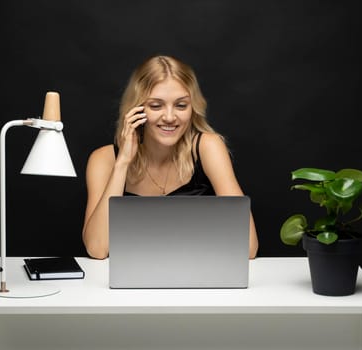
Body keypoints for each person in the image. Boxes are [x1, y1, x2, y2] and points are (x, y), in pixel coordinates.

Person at [82, 55, 259, 259]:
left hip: (198, 277)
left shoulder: (208, 147)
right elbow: (97, 249)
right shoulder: (103, 159)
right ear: (137, 110)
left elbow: (248, 247)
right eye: (156, 106)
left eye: (181, 105)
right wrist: (122, 163)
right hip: (129, 286)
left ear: (192, 109)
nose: (169, 117)